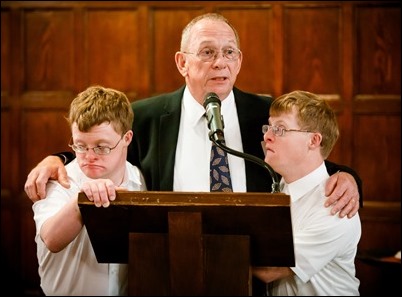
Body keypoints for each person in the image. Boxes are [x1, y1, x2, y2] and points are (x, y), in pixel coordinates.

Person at [25, 13, 361, 217]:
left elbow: (309, 162)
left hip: (253, 274)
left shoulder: (266, 114)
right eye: (207, 52)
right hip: (167, 268)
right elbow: (101, 149)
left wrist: (347, 177)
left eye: (229, 53)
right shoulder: (146, 116)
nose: (220, 62)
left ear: (239, 61)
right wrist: (57, 158)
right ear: (182, 63)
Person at [32, 86, 147, 295]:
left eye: (102, 147)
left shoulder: (139, 178)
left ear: (127, 139)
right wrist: (82, 201)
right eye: (80, 146)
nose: (89, 156)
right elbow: (51, 240)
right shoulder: (59, 180)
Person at [252, 90, 361, 295]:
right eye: (268, 127)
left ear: (313, 141)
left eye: (280, 129)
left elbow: (270, 268)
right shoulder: (278, 188)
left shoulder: (335, 205)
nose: (267, 136)